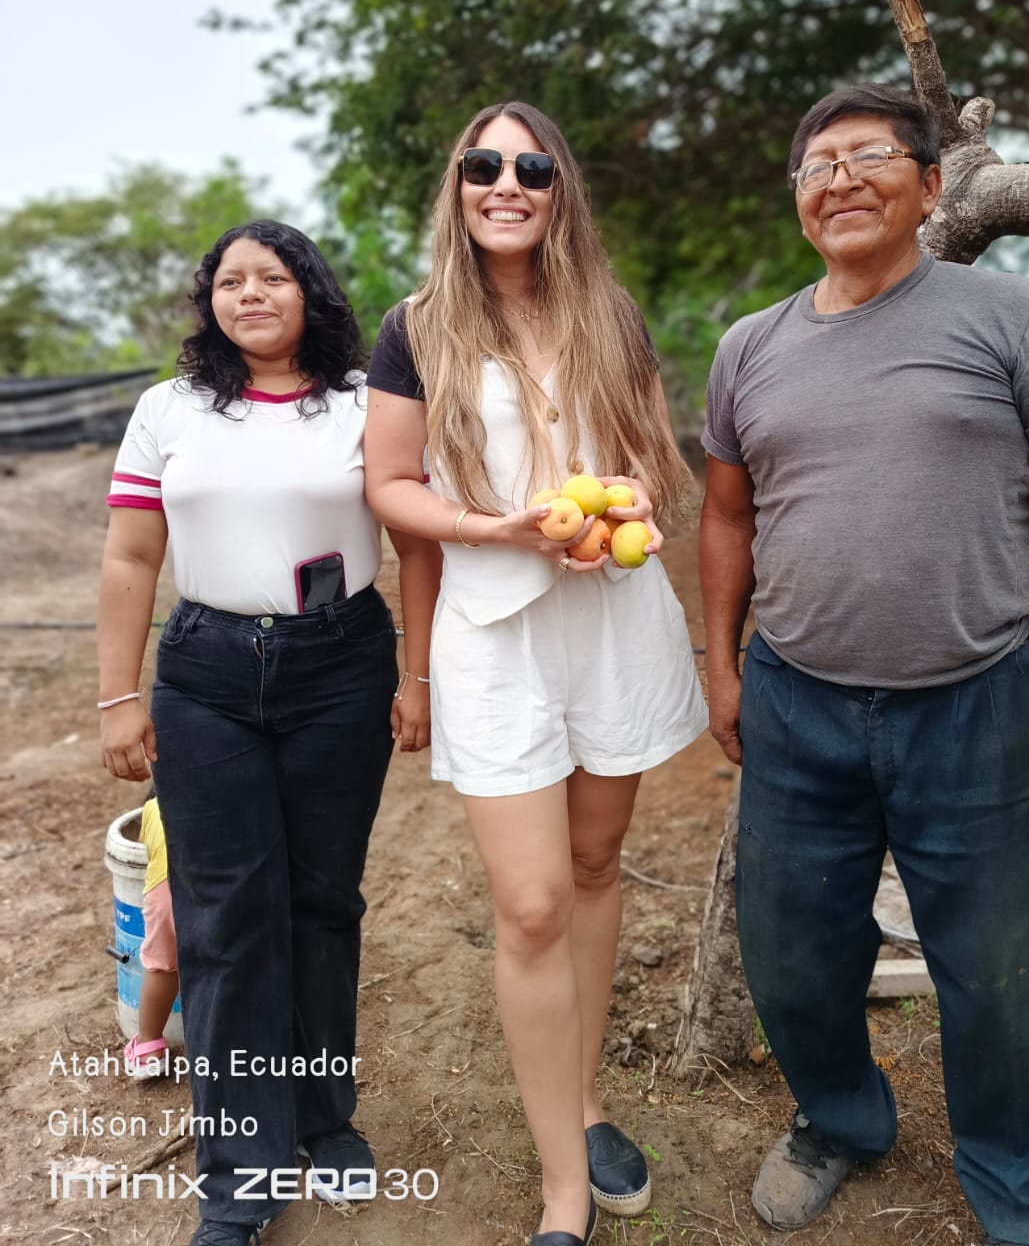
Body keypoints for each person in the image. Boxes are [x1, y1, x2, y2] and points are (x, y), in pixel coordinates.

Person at [700, 84, 1029, 1246]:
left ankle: (1018, 1182)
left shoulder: (1010, 315)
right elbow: (728, 517)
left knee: (1003, 974)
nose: (840, 180)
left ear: (933, 184)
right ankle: (842, 1120)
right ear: (798, 198)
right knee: (793, 958)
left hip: (978, 705)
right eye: (818, 165)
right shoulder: (751, 347)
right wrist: (722, 665)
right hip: (797, 701)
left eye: (870, 157)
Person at [364, 100, 707, 1246]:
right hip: (495, 631)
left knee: (598, 864)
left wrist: (635, 496)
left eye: (531, 167)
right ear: (457, 188)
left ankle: (588, 1098)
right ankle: (565, 1184)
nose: (505, 183)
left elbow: (654, 454)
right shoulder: (416, 328)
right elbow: (390, 486)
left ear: (561, 190)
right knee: (531, 901)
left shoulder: (610, 310)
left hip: (611, 616)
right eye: (483, 165)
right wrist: (497, 528)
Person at [97, 220, 436, 1246]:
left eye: (272, 276)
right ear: (210, 302)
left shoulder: (364, 403)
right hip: (204, 676)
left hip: (341, 668)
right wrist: (118, 697)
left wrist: (416, 676)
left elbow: (419, 546)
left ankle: (324, 1121)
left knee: (324, 902)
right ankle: (241, 1177)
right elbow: (129, 557)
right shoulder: (168, 410)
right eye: (230, 280)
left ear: (310, 291)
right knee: (225, 918)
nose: (249, 293)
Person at [123, 789, 180, 1078]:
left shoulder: (152, 809)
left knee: (163, 968)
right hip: (215, 887)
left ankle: (148, 1047)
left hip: (165, 895)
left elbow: (141, 852)